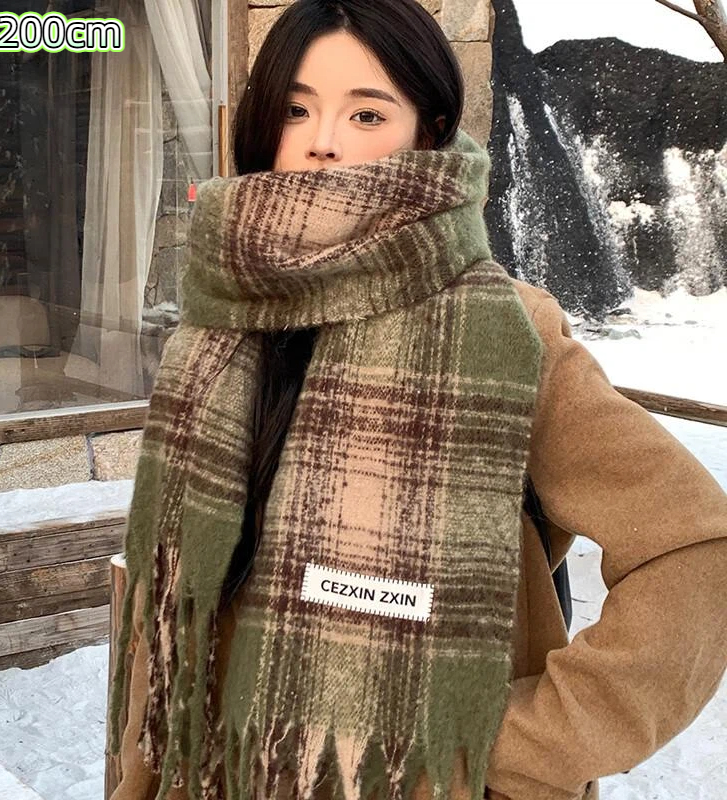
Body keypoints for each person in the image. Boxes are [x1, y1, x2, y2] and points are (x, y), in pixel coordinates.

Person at [107, 2, 727, 799]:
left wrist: (522, 744)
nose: (323, 140)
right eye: (296, 109)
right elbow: (171, 621)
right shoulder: (221, 325)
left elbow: (695, 548)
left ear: (427, 132)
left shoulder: (504, 330)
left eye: (367, 113)